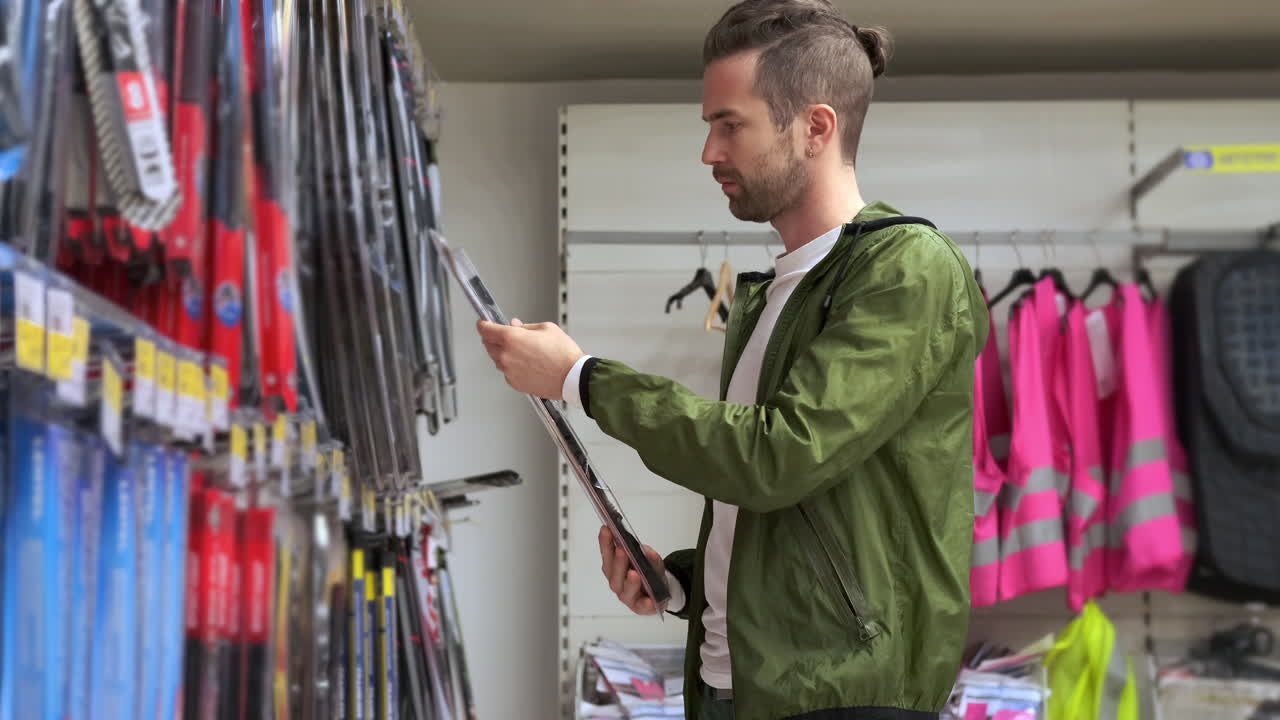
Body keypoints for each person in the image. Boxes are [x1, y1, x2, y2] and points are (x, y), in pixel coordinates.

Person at [477, 1, 987, 718]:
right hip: (738, 690)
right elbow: (790, 509)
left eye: (730, 125)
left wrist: (581, 378)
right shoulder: (780, 292)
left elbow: (776, 457)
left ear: (816, 128)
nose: (709, 152)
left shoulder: (907, 268)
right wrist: (682, 585)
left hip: (843, 697)